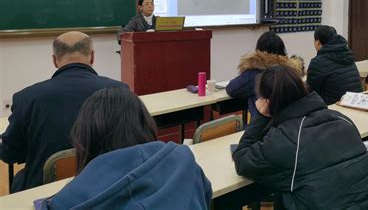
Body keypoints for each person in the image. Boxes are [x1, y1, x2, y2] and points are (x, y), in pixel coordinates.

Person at [232, 65, 368, 209]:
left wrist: (260, 116)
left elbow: (241, 159)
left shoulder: (285, 139)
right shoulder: (341, 119)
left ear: (268, 101)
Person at [41, 87, 212, 209]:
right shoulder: (184, 162)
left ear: (86, 135)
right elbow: (206, 196)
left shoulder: (65, 202)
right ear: (144, 123)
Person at [0, 32, 127, 192]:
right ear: (92, 57)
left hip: (45, 191)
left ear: (54, 60)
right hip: (105, 185)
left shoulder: (26, 98)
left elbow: (10, 155)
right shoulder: (120, 91)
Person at [226, 31, 304, 118]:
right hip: (291, 122)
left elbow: (231, 89)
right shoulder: (291, 72)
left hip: (263, 124)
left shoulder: (254, 73)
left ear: (258, 51)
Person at [306, 25, 363, 104]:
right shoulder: (347, 54)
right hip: (356, 102)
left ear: (318, 42)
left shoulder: (318, 62)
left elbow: (312, 94)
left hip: (334, 107)